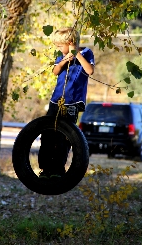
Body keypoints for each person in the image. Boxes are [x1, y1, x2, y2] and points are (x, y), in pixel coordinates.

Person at [38, 27, 95, 179]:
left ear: (70, 43)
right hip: (56, 100)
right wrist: (64, 59)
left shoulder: (86, 53)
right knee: (48, 133)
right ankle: (45, 168)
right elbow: (55, 71)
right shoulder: (61, 55)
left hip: (73, 102)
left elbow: (89, 70)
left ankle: (58, 169)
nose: (58, 48)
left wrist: (76, 54)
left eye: (59, 46)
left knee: (64, 136)